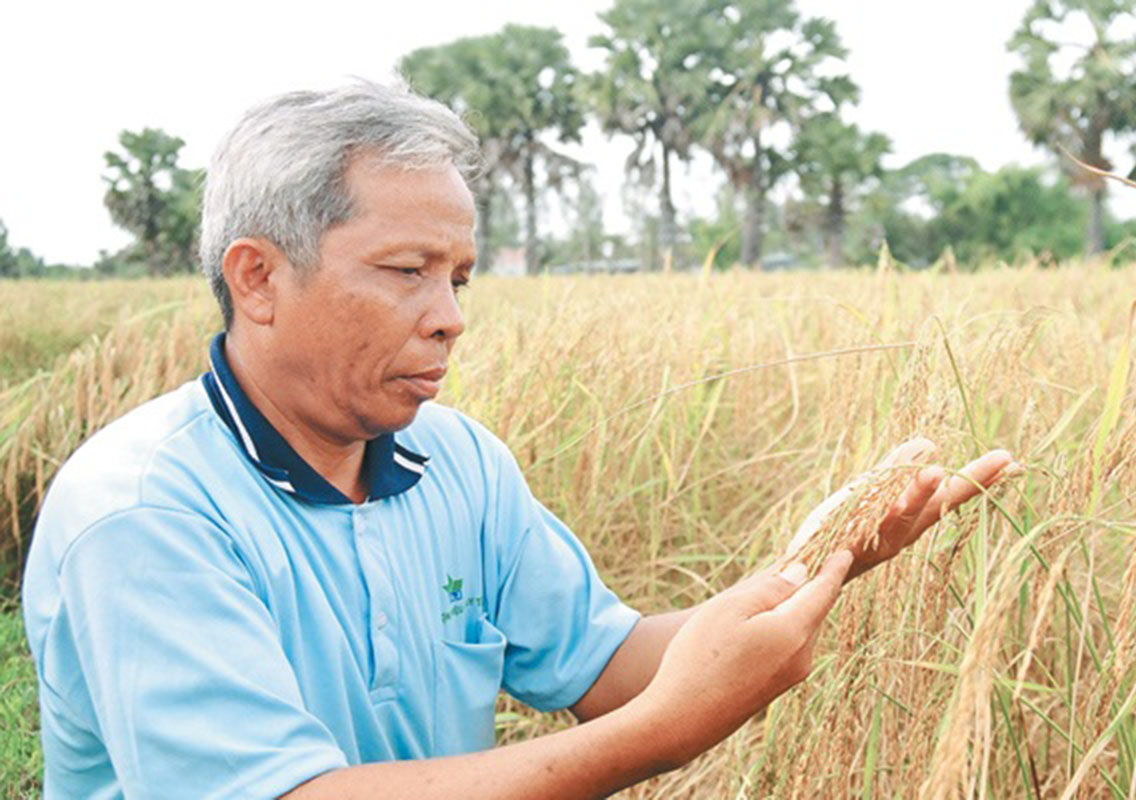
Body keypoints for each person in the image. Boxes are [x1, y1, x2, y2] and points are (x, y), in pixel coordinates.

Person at [22, 83, 1012, 799]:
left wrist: (821, 560)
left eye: (459, 276)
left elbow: (608, 660)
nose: (449, 315)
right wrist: (663, 732)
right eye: (406, 268)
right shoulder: (145, 511)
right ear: (257, 279)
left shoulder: (453, 460)